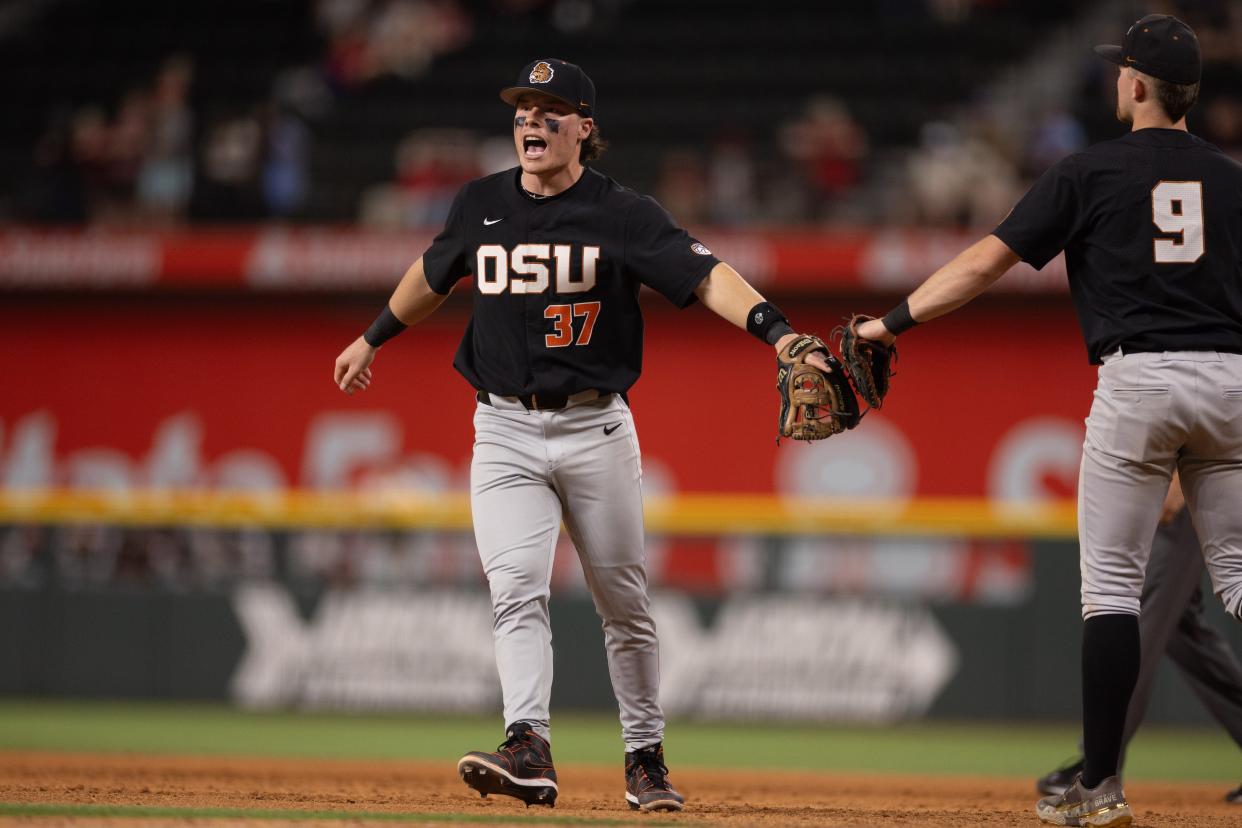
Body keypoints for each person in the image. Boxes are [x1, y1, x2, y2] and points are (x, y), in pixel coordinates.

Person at [333, 57, 829, 812]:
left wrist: (779, 333)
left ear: (584, 128)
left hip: (596, 427)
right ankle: (527, 743)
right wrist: (372, 338)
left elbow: (705, 275)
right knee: (515, 591)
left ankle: (644, 757)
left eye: (551, 108)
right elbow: (433, 276)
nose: (532, 120)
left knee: (623, 604)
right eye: (524, 108)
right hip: (501, 426)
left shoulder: (622, 213)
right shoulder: (479, 204)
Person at [851, 15, 1242, 827]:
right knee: (1239, 580)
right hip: (1233, 381)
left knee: (1110, 593)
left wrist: (888, 324)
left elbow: (984, 261)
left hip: (1140, 379)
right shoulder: (1234, 179)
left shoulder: (1091, 170)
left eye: (1120, 71)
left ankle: (1100, 788)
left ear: (1135, 84)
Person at [1036, 474, 1242, 805]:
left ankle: (1100, 765)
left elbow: (1196, 424)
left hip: (1190, 484)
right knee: (1179, 627)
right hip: (1190, 479)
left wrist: (1176, 480)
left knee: (1141, 617)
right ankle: (1099, 760)